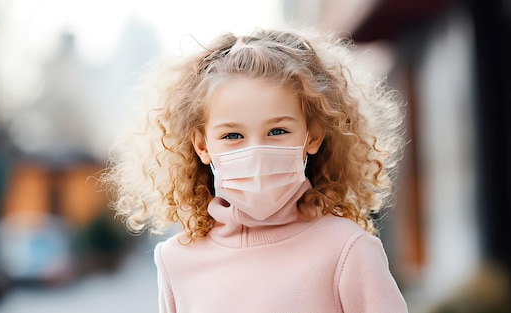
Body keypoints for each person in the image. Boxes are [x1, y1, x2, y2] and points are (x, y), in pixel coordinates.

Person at [102, 27, 408, 312]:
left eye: (277, 131)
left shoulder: (348, 250)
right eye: (232, 136)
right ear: (202, 146)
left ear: (312, 135)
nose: (256, 152)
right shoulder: (175, 261)